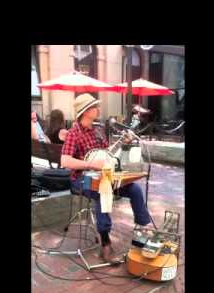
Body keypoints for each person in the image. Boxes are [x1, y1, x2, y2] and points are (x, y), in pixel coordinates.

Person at [60, 93, 152, 263]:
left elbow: (106, 154)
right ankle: (105, 244)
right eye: (95, 106)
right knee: (103, 191)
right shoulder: (74, 133)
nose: (98, 109)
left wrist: (123, 143)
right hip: (80, 180)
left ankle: (143, 230)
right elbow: (65, 161)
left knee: (135, 189)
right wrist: (91, 165)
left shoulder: (97, 131)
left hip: (103, 177)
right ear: (86, 111)